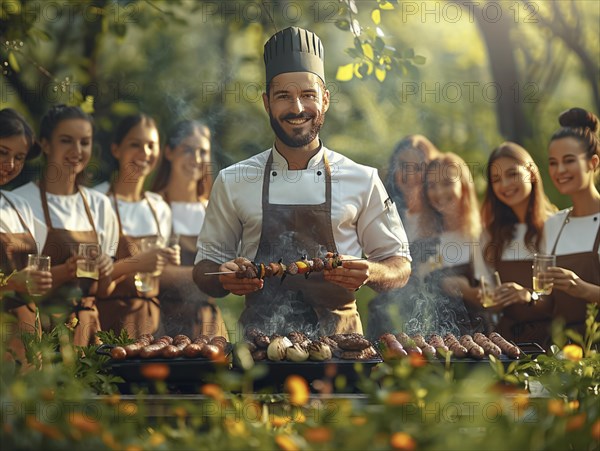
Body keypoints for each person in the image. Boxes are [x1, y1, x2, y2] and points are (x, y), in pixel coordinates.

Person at [193, 27, 411, 339]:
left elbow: (399, 265)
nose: (297, 108)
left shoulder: (363, 179)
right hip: (260, 350)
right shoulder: (233, 180)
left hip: (342, 349)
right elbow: (204, 269)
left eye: (308, 95)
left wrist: (371, 271)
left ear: (325, 100)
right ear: (267, 103)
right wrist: (222, 278)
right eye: (284, 96)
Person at [13, 105, 117, 346]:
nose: (77, 151)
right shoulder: (19, 203)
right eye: (66, 141)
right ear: (46, 145)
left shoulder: (100, 205)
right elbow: (15, 288)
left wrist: (106, 270)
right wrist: (67, 271)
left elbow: (104, 291)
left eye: (85, 142)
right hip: (40, 334)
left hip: (89, 335)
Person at [94, 114, 179, 338]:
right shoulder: (95, 201)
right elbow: (91, 277)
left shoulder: (159, 207)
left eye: (151, 146)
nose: (145, 153)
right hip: (106, 324)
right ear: (116, 149)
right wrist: (136, 263)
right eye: (135, 145)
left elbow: (159, 275)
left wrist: (168, 262)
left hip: (150, 326)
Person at [151, 120, 228, 339]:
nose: (196, 159)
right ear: (169, 152)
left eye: (202, 152)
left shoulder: (213, 209)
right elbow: (152, 274)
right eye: (187, 150)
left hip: (209, 326)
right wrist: (212, 274)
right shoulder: (153, 205)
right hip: (163, 326)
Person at [366, 135, 442, 339]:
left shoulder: (445, 217)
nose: (409, 174)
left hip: (435, 326)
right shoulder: (380, 214)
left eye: (418, 167)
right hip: (386, 324)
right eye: (402, 166)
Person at [481, 142, 556, 343]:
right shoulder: (491, 234)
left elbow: (562, 298)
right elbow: (486, 290)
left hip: (551, 343)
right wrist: (493, 300)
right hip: (506, 342)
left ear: (531, 173)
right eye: (496, 179)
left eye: (512, 174)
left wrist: (527, 296)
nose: (505, 184)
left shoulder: (555, 225)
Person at [0, 108, 52, 364]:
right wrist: (9, 284)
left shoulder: (18, 205)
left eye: (19, 157)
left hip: (28, 339)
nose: (10, 165)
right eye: (2, 152)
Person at [543, 107, 600, 337]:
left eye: (569, 160)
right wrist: (526, 295)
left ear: (592, 163)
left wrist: (581, 288)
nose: (560, 170)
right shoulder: (552, 225)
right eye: (553, 163)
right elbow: (547, 299)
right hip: (559, 358)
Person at [418, 153, 490, 334]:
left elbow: (493, 300)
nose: (439, 192)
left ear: (464, 186)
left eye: (447, 183)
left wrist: (464, 290)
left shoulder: (481, 236)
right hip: (432, 343)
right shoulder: (423, 241)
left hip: (476, 341)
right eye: (432, 186)